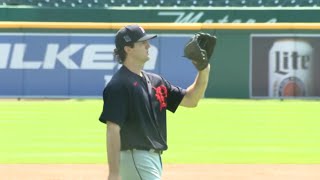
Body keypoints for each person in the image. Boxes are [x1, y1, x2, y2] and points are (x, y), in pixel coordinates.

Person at [99, 24, 211, 180]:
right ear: (128, 49)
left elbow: (191, 100)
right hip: (135, 157)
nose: (148, 45)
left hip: (153, 159)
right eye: (142, 42)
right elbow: (112, 129)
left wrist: (204, 69)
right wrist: (114, 173)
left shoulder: (156, 81)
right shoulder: (119, 84)